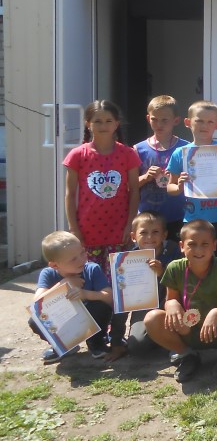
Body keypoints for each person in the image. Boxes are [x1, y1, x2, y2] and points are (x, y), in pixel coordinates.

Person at [64, 99, 141, 358]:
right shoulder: (78, 155)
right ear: (88, 124)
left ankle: (114, 334)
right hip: (88, 234)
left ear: (117, 124)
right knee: (90, 287)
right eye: (98, 121)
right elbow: (70, 194)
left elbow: (134, 191)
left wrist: (130, 224)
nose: (103, 125)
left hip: (119, 233)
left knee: (116, 287)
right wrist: (74, 229)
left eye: (109, 121)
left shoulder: (127, 154)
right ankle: (86, 335)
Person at [144, 219, 217, 383]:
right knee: (152, 318)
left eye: (205, 244)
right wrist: (172, 304)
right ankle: (187, 355)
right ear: (182, 246)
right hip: (187, 330)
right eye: (192, 244)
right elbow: (170, 299)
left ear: (214, 245)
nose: (198, 250)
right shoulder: (175, 268)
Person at [166, 100, 217, 274]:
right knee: (195, 270)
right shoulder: (180, 153)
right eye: (199, 121)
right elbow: (170, 188)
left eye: (210, 122)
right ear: (188, 122)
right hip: (193, 223)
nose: (204, 126)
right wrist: (179, 186)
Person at [30, 231, 113, 363]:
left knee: (102, 306)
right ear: (55, 265)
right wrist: (63, 284)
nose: (82, 259)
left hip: (90, 321)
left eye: (82, 252)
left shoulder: (92, 269)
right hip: (63, 321)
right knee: (35, 321)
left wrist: (86, 294)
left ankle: (96, 342)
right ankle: (64, 346)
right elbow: (37, 303)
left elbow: (109, 297)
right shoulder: (48, 274)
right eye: (73, 259)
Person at [125, 211, 181, 355]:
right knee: (136, 346)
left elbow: (184, 283)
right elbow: (122, 300)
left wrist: (163, 273)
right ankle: (159, 337)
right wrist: (115, 341)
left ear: (164, 235)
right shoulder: (127, 259)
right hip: (143, 307)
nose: (149, 237)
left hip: (171, 304)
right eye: (143, 233)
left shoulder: (173, 251)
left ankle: (175, 342)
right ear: (133, 236)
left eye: (155, 232)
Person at [134, 95, 188, 242]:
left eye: (165, 120)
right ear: (148, 118)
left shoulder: (186, 148)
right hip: (148, 220)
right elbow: (129, 185)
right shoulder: (138, 149)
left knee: (175, 254)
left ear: (176, 120)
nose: (159, 124)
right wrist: (146, 177)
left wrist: (177, 178)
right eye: (154, 119)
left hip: (178, 216)